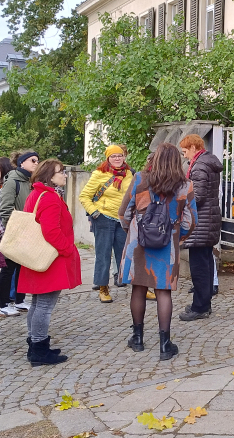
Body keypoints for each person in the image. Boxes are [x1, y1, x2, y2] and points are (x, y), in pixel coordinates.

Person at [119, 143, 196, 360]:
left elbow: (124, 213)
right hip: (167, 243)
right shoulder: (185, 185)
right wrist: (177, 237)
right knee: (163, 291)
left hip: (138, 242)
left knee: (138, 288)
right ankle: (165, 345)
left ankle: (138, 339)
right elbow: (191, 221)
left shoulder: (140, 179)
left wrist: (133, 231)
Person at [19, 159, 81, 366]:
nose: (65, 175)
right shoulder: (50, 198)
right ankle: (38, 349)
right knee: (44, 306)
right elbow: (51, 231)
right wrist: (68, 249)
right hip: (50, 258)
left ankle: (34, 344)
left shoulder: (37, 194)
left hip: (38, 256)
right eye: (60, 172)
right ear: (49, 176)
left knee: (37, 303)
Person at [79, 144, 133, 303]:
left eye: (120, 155)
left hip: (122, 219)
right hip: (104, 217)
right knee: (103, 255)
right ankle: (103, 288)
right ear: (108, 158)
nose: (117, 158)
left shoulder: (129, 174)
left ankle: (138, 287)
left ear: (124, 157)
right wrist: (94, 212)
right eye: (113, 156)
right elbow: (84, 196)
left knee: (125, 254)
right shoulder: (99, 173)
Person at [178, 134, 222, 321]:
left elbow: (198, 195)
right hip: (207, 220)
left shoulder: (200, 166)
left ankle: (200, 307)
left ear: (193, 148)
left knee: (199, 268)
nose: (184, 155)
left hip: (201, 222)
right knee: (205, 263)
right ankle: (203, 303)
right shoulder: (205, 162)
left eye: (185, 151)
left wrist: (180, 201)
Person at [0, 150, 39, 315]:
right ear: (22, 162)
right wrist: (14, 231)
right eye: (33, 160)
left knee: (22, 267)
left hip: (28, 231)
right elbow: (5, 209)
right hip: (15, 232)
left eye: (37, 160)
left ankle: (20, 301)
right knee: (8, 269)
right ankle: (4, 304)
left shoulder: (31, 181)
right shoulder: (12, 181)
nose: (36, 163)